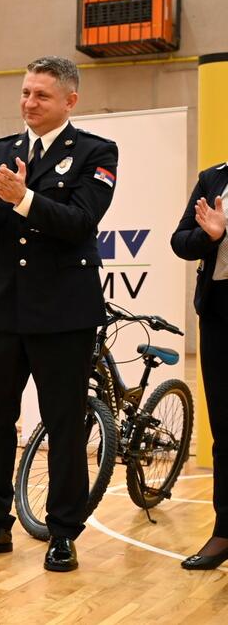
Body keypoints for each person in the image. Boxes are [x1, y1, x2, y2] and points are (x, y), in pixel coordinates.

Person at [0, 56, 117, 572]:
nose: (29, 103)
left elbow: (80, 220)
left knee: (64, 423)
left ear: (70, 100)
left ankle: (63, 531)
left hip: (64, 313)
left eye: (41, 96)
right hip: (3, 309)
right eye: (25, 93)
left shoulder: (96, 152)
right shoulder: (1, 152)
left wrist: (23, 198)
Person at [172, 161, 228, 569]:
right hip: (221, 312)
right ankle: (224, 531)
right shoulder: (214, 179)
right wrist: (211, 236)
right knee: (225, 429)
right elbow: (181, 241)